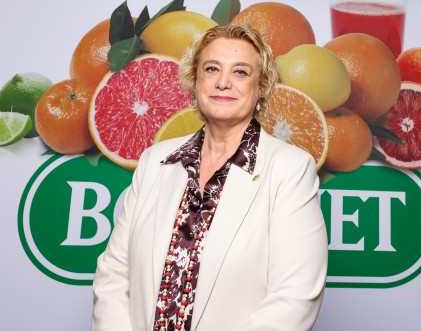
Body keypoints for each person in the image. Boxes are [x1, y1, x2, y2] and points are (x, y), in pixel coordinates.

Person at [92, 24, 328, 331]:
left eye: (241, 72)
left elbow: (295, 296)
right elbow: (114, 273)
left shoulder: (290, 169)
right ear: (195, 80)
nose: (224, 82)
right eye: (212, 68)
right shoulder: (155, 161)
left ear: (261, 87)